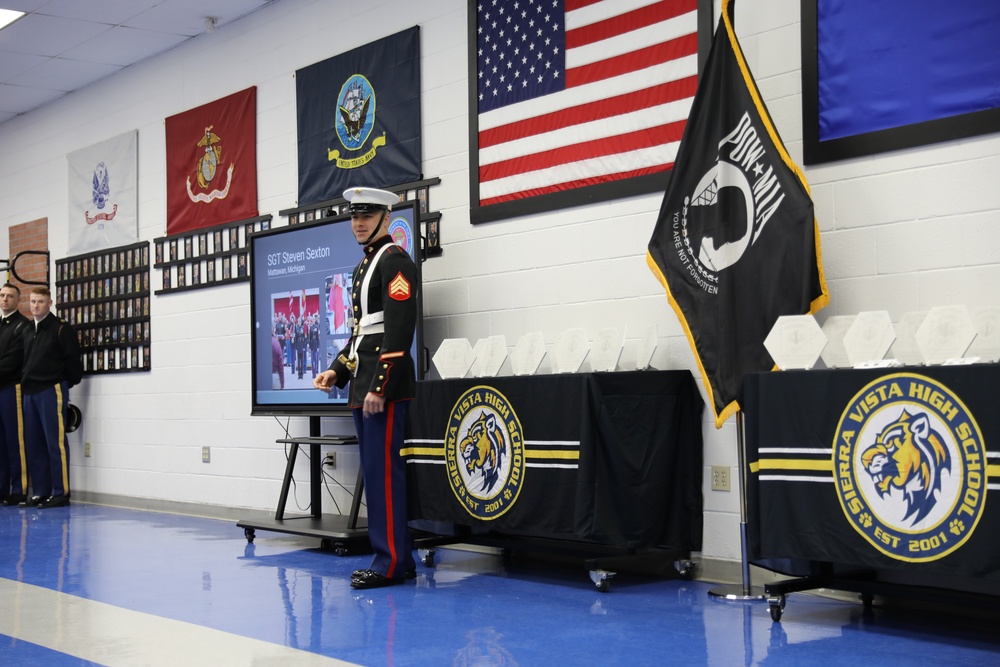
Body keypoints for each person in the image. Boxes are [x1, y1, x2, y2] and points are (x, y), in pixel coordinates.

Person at [314, 186, 418, 590]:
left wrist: (381, 386)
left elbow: (398, 330)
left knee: (384, 474)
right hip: (365, 384)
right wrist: (338, 371)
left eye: (367, 215)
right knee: (376, 472)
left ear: (385, 218)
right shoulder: (367, 265)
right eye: (354, 216)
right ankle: (397, 558)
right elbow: (363, 334)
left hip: (381, 389)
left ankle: (389, 562)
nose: (358, 222)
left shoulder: (395, 261)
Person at [20, 286, 83, 508]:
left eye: (40, 301)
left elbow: (73, 362)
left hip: (51, 389)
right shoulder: (28, 329)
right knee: (34, 443)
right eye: (33, 301)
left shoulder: (60, 329)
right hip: (29, 392)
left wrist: (64, 383)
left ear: (50, 303)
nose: (35, 305)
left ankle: (60, 492)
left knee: (54, 443)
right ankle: (40, 491)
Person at [0, 284, 30, 506]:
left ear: (18, 301)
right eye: (2, 295)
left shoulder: (22, 326)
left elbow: (13, 360)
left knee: (15, 441)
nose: (4, 300)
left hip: (11, 387)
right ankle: (2, 488)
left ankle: (19, 489)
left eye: (9, 296)